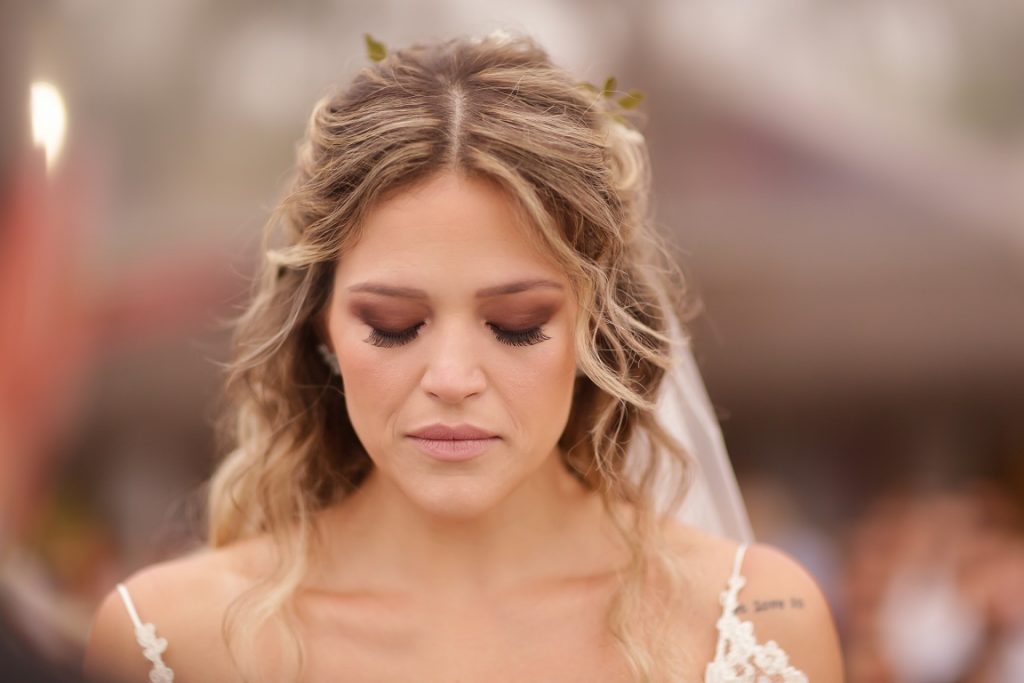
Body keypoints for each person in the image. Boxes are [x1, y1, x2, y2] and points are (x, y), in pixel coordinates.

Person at [83, 32, 843, 682]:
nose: (451, 380)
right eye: (392, 324)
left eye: (515, 324)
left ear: (594, 330)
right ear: (321, 329)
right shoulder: (166, 639)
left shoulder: (753, 624)